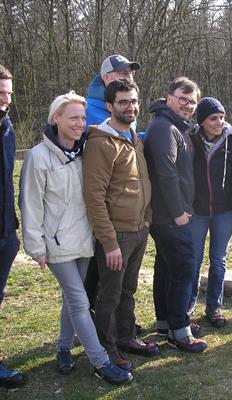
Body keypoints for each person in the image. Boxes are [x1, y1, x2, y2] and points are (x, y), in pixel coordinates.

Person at [19, 91, 132, 384]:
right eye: (73, 118)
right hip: (56, 246)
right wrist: (36, 247)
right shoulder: (38, 157)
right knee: (81, 302)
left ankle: (63, 348)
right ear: (56, 118)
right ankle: (100, 361)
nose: (80, 123)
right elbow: (30, 205)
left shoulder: (84, 153)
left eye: (83, 118)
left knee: (73, 300)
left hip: (84, 241)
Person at [83, 79, 159, 371]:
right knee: (110, 294)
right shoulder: (101, 143)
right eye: (124, 102)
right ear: (109, 106)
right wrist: (109, 242)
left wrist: (147, 219)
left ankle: (127, 337)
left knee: (128, 290)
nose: (131, 107)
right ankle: (107, 347)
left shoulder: (133, 137)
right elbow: (94, 198)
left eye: (134, 101)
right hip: (117, 234)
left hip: (139, 228)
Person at [144, 77, 207, 352]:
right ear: (168, 97)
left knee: (167, 268)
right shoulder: (163, 128)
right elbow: (165, 174)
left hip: (169, 215)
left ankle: (166, 322)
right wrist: (179, 212)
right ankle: (180, 333)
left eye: (192, 102)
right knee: (183, 269)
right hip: (170, 217)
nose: (188, 105)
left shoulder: (176, 127)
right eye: (183, 98)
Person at [84, 54, 141, 329]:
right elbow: (95, 189)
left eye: (130, 73)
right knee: (101, 284)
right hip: (108, 219)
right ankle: (99, 338)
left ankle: (122, 329)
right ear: (105, 78)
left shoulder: (129, 116)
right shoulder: (89, 111)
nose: (127, 76)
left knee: (122, 286)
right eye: (120, 73)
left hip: (134, 221)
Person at [188, 97, 232, 327]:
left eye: (222, 117)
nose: (219, 122)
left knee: (218, 260)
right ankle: (188, 305)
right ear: (202, 121)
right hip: (197, 212)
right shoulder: (190, 141)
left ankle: (214, 306)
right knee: (193, 260)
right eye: (213, 118)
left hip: (225, 212)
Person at [0, 64, 26, 389]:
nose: (5, 99)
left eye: (8, 92)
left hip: (5, 232)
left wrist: (12, 230)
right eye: (0, 93)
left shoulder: (7, 127)